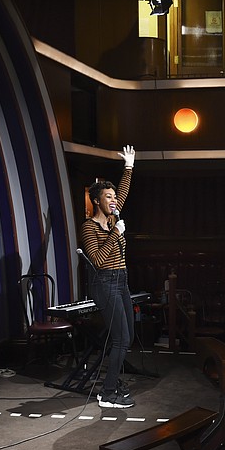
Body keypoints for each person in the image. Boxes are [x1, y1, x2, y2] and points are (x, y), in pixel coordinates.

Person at [81, 145, 136, 408]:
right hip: (105, 283)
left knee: (129, 336)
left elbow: (123, 193)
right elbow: (98, 260)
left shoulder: (113, 219)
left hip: (122, 281)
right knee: (120, 339)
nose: (114, 200)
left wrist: (128, 167)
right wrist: (116, 234)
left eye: (114, 197)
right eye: (108, 197)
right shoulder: (89, 227)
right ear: (96, 201)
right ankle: (107, 392)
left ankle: (114, 382)